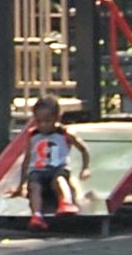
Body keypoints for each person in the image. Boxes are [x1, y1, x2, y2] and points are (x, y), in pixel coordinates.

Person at [16, 94, 90, 230]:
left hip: (58, 168)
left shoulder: (64, 133)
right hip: (38, 171)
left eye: (47, 120)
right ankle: (37, 216)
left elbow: (84, 149)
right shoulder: (33, 135)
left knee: (59, 179)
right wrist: (21, 185)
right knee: (34, 186)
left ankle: (66, 202)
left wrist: (85, 168)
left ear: (57, 118)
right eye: (39, 121)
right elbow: (27, 160)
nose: (43, 125)